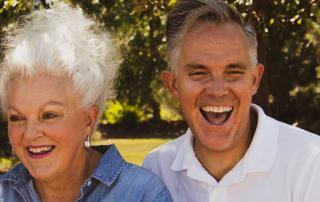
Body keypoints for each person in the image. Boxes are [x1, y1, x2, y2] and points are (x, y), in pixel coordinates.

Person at [143, 0, 320, 201]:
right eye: (199, 73)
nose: (217, 91)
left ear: (254, 80)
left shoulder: (311, 164)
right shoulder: (156, 169)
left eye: (233, 72)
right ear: (173, 84)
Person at [0, 3, 172, 202]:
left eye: (49, 115)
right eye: (17, 117)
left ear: (88, 120)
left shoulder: (142, 194)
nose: (29, 134)